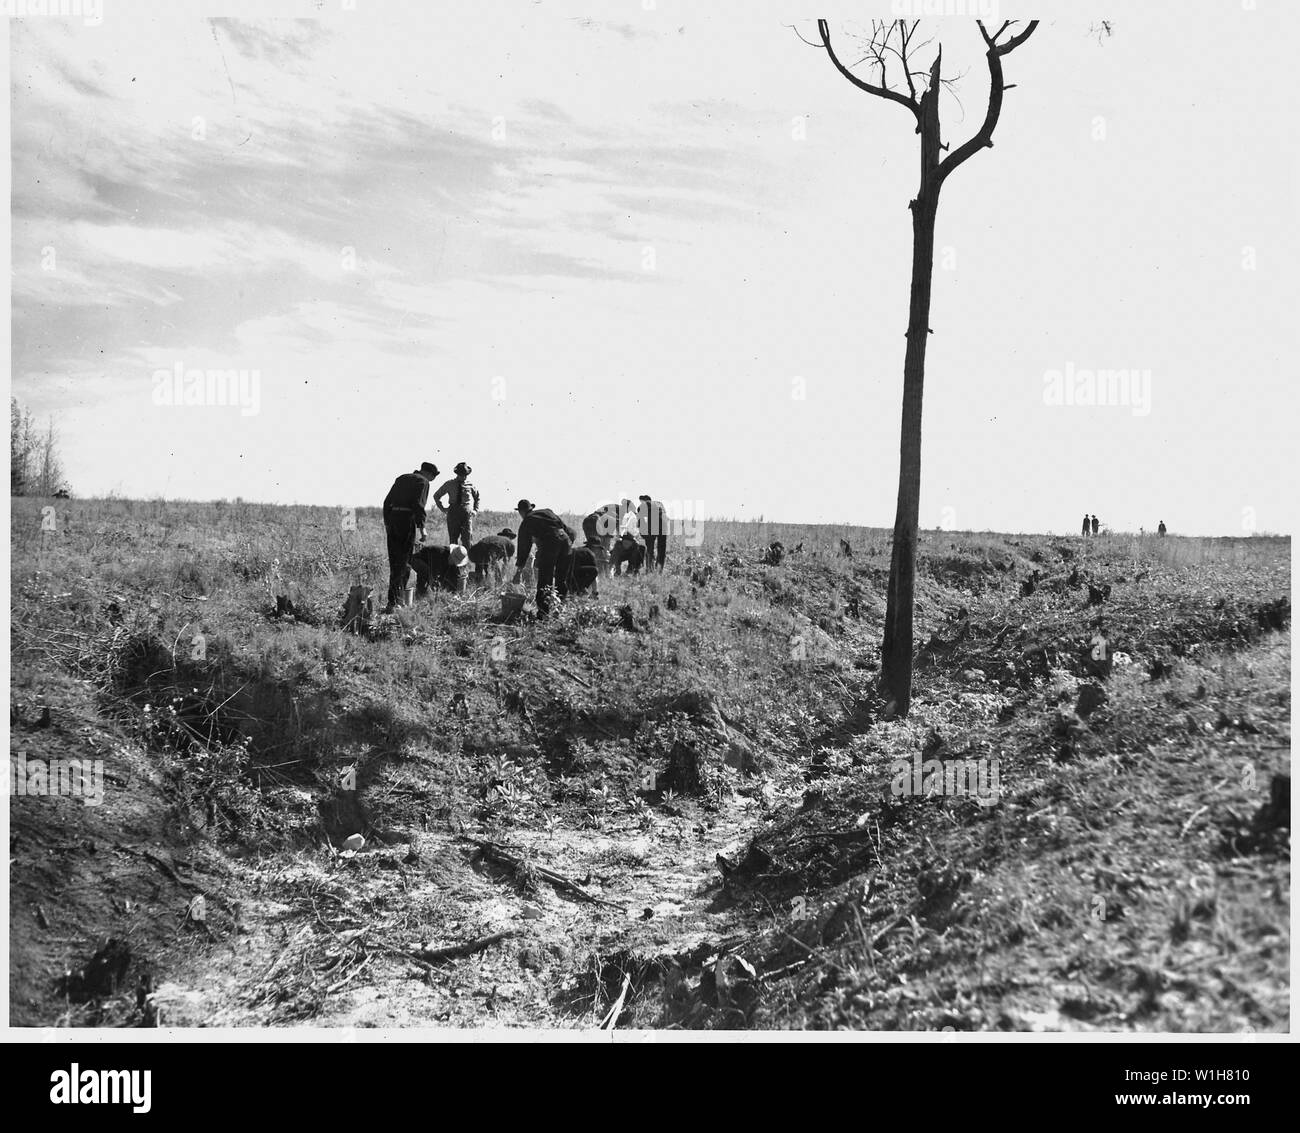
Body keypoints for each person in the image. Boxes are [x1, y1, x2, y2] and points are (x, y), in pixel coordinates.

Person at [382, 461, 438, 612]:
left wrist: (388, 523)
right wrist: (423, 528)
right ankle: (398, 602)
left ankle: (392, 601)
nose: (433, 479)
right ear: (429, 473)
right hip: (407, 521)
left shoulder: (402, 478)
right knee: (405, 561)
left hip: (393, 520)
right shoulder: (423, 481)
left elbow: (387, 502)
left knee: (395, 562)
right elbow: (418, 505)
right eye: (434, 476)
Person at [512, 499, 576, 618]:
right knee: (561, 579)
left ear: (521, 512)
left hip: (551, 542)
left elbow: (523, 549)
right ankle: (559, 611)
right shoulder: (547, 512)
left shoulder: (527, 521)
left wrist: (518, 572)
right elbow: (568, 531)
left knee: (545, 579)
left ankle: (543, 614)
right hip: (566, 541)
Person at [434, 462, 480, 549]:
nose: (464, 477)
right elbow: (436, 496)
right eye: (462, 474)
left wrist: (475, 510)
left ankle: (467, 560)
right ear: (457, 474)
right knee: (453, 540)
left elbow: (477, 498)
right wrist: (442, 508)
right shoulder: (449, 484)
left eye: (466, 475)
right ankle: (454, 561)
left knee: (467, 539)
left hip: (466, 514)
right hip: (453, 513)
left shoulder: (470, 485)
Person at [637, 494, 668, 572]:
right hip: (663, 526)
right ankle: (659, 569)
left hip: (652, 526)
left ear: (643, 500)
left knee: (650, 548)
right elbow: (664, 514)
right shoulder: (659, 503)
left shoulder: (642, 505)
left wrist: (643, 534)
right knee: (661, 549)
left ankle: (649, 569)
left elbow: (641, 521)